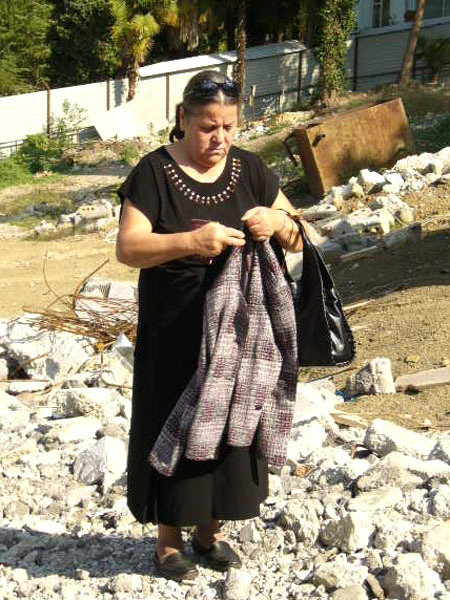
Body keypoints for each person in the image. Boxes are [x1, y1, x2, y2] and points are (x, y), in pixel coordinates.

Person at [116, 69, 306, 581]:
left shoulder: (252, 170)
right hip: (174, 328)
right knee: (171, 423)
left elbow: (299, 236)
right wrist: (192, 243)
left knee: (227, 425)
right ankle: (168, 541)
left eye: (228, 126)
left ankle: (209, 532)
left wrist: (278, 222)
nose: (218, 138)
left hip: (239, 331)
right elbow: (128, 247)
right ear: (183, 118)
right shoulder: (154, 172)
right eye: (207, 127)